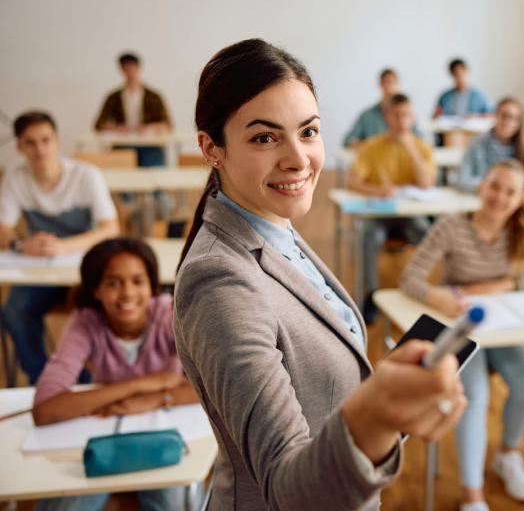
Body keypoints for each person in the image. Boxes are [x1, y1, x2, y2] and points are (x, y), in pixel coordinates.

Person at [174, 38, 466, 510]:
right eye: (264, 138)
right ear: (212, 148)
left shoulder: (273, 228)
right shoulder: (219, 283)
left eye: (308, 131)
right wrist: (376, 413)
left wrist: (384, 390)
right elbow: (289, 492)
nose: (298, 158)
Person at [400, 159, 524, 511]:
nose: (500, 197)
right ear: (481, 187)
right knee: (473, 393)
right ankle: (472, 494)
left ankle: (508, 453)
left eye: (510, 191)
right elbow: (410, 278)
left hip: (500, 323)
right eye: (495, 186)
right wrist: (437, 295)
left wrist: (507, 284)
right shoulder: (451, 227)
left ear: (520, 199)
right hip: (461, 323)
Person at [32, 238, 199, 510]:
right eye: (113, 283)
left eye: (137, 281)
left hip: (164, 431)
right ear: (96, 290)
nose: (127, 294)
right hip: (104, 433)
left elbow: (217, 387)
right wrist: (142, 385)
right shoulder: (85, 322)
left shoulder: (171, 314)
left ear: (152, 286)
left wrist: (157, 398)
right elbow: (45, 409)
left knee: (171, 504)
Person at [0, 111, 119, 384]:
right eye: (30, 142)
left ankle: (89, 381)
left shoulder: (86, 175)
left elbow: (111, 228)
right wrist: (22, 244)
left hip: (84, 269)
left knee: (95, 309)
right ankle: (43, 379)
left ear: (57, 141)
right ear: (19, 146)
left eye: (45, 140)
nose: (40, 149)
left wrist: (63, 247)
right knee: (14, 309)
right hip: (41, 270)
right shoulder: (16, 178)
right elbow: (3, 230)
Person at [347, 93, 436, 322]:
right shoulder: (372, 146)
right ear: (386, 116)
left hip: (410, 216)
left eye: (406, 115)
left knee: (430, 237)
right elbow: (353, 182)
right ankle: (372, 295)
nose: (401, 121)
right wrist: (378, 191)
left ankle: (416, 290)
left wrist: (411, 149)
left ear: (412, 117)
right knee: (367, 236)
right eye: (396, 115)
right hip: (380, 215)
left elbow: (426, 183)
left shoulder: (422, 147)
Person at [94, 52, 172, 167]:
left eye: (132, 67)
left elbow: (167, 125)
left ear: (139, 68)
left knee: (154, 175)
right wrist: (119, 128)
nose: (129, 72)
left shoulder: (154, 97)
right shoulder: (113, 97)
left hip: (150, 146)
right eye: (126, 68)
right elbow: (99, 124)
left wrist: (149, 128)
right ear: (121, 70)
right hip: (123, 145)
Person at [343, 68, 422, 147]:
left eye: (393, 83)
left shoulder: (406, 115)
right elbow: (349, 140)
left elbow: (422, 141)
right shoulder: (367, 116)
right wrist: (372, 148)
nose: (389, 87)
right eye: (386, 83)